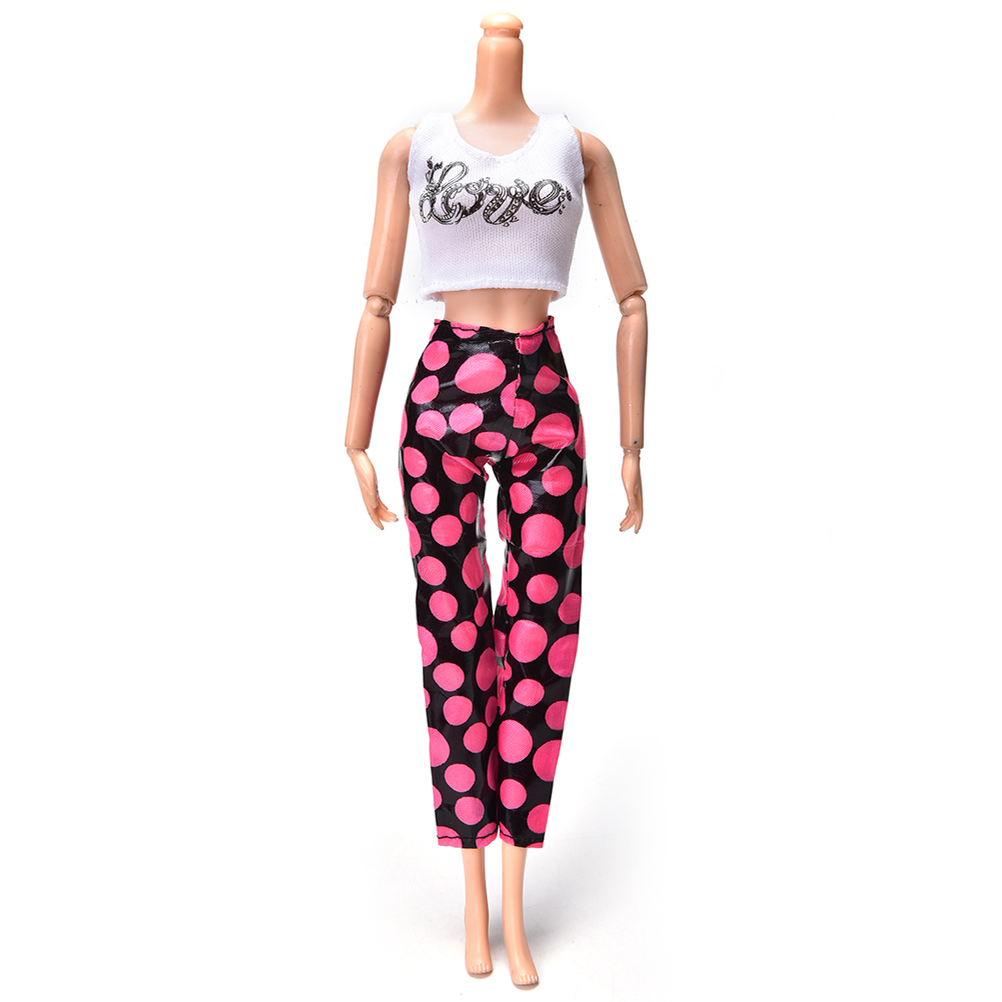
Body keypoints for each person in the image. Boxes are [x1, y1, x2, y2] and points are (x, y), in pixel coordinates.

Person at [344, 11, 648, 989]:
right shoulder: (413, 148)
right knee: (452, 637)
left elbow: (634, 300)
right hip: (440, 393)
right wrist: (355, 435)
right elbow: (376, 301)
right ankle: (473, 894)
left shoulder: (580, 152)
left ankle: (514, 902)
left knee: (541, 638)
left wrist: (632, 446)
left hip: (543, 395)